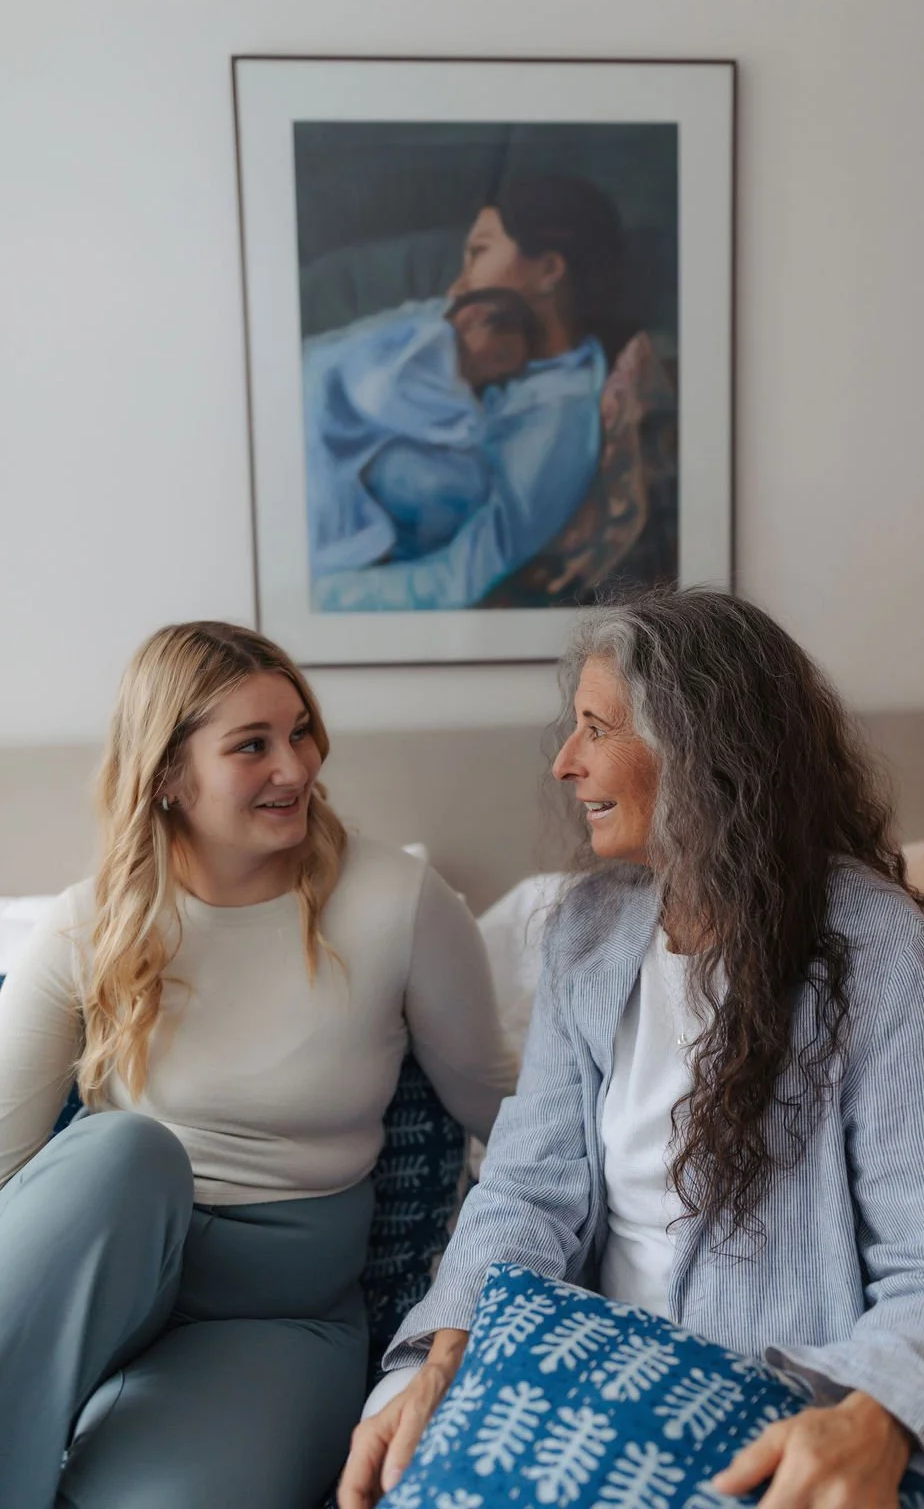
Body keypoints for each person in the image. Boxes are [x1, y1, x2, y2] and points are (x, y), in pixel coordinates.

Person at [339, 587, 924, 1509]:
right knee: (399, 1430)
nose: (564, 764)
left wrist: (875, 1414)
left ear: (700, 751)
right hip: (592, 1368)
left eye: (595, 728)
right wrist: (457, 1336)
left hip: (794, 1388)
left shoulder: (879, 951)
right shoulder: (587, 931)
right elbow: (526, 1187)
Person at [0, 620, 516, 1509]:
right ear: (168, 776)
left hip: (275, 1316)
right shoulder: (88, 925)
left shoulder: (400, 905)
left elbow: (510, 1121)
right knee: (126, 1152)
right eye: (253, 746)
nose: (298, 766)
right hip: (108, 1264)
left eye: (302, 731)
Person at [309, 174, 627, 611]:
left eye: (479, 252)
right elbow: (329, 365)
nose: (457, 285)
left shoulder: (559, 421)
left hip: (346, 572)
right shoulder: (466, 320)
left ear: (549, 270)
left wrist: (312, 598)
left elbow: (457, 581)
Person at [306, 287, 544, 574]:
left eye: (505, 372)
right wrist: (467, 421)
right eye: (501, 355)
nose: (495, 373)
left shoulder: (453, 368)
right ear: (471, 318)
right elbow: (380, 391)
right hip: (325, 411)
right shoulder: (432, 338)